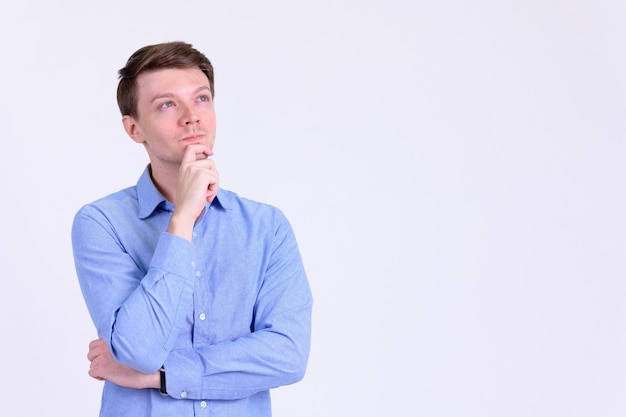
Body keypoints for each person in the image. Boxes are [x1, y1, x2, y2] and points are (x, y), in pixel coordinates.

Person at [71, 41, 313, 417]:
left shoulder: (267, 227)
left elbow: (288, 355)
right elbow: (140, 349)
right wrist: (182, 216)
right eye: (167, 104)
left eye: (201, 99)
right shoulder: (101, 223)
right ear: (134, 128)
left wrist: (160, 376)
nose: (191, 117)